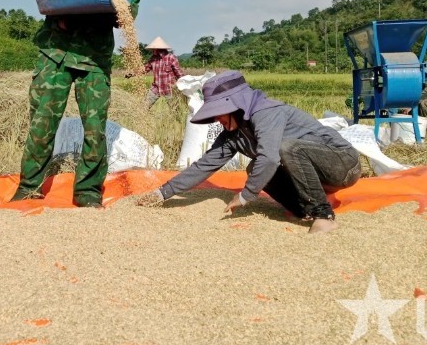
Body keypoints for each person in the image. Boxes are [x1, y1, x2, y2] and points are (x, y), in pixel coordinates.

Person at [13, 0, 166, 207]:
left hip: (94, 60)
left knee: (95, 129)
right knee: (42, 124)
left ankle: (88, 192)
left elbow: (127, 17)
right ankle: (28, 187)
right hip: (56, 52)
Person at [136, 71, 362, 233]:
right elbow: (205, 165)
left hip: (342, 165)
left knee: (281, 152)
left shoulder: (266, 113)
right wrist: (162, 193)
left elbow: (270, 157)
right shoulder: (233, 134)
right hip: (312, 176)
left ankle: (324, 216)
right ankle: (305, 210)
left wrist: (245, 196)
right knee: (256, 168)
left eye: (219, 113)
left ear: (235, 106)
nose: (217, 119)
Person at [137, 36, 184, 108]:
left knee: (175, 110)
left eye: (153, 48)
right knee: (144, 107)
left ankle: (176, 119)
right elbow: (145, 69)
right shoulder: (153, 59)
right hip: (156, 88)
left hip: (169, 88)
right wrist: (132, 73)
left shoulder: (171, 57)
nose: (152, 50)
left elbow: (178, 73)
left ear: (158, 49)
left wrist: (185, 83)